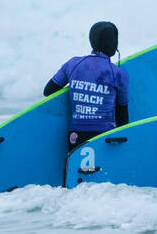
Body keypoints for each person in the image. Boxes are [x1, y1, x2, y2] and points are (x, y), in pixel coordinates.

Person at [44, 21, 130, 151]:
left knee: (78, 170)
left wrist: (76, 91)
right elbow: (122, 115)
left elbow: (48, 91)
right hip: (107, 138)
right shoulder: (119, 74)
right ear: (114, 44)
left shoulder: (73, 64)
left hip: (76, 137)